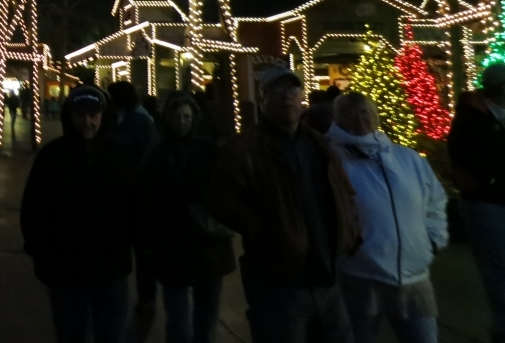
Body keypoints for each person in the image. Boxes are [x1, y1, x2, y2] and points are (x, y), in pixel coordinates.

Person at [206, 66, 359, 343]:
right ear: (263, 99)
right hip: (279, 283)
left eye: (293, 90)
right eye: (278, 91)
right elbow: (221, 200)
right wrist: (268, 232)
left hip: (328, 278)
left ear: (302, 98)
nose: (287, 97)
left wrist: (350, 233)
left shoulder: (320, 145)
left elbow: (343, 193)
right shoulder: (244, 149)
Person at [327, 92, 447, 343]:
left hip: (415, 275)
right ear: (338, 119)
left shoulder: (408, 158)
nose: (361, 118)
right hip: (360, 276)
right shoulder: (332, 160)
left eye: (366, 111)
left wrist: (433, 239)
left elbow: (435, 200)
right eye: (352, 113)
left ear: (376, 116)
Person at [21, 85, 136, 343]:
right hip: (66, 271)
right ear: (70, 116)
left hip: (110, 269)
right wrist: (42, 255)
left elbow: (137, 208)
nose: (87, 121)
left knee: (111, 334)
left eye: (93, 114)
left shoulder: (121, 156)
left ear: (103, 116)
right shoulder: (51, 157)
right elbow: (34, 209)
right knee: (70, 334)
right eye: (81, 114)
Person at [141, 91, 235, 343]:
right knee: (179, 322)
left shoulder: (209, 150)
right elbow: (147, 201)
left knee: (206, 321)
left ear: (194, 117)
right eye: (176, 116)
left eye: (186, 116)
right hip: (174, 246)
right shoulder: (157, 155)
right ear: (167, 118)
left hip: (208, 247)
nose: (181, 121)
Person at [448, 62, 505, 343]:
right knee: (498, 267)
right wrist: (490, 179)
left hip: (495, 196)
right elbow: (466, 158)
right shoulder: (471, 118)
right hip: (485, 202)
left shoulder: (494, 115)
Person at [107, 80, 159, 316]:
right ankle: (140, 296)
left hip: (139, 195)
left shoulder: (139, 121)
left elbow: (148, 157)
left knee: (142, 250)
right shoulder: (129, 118)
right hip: (127, 193)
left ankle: (146, 297)